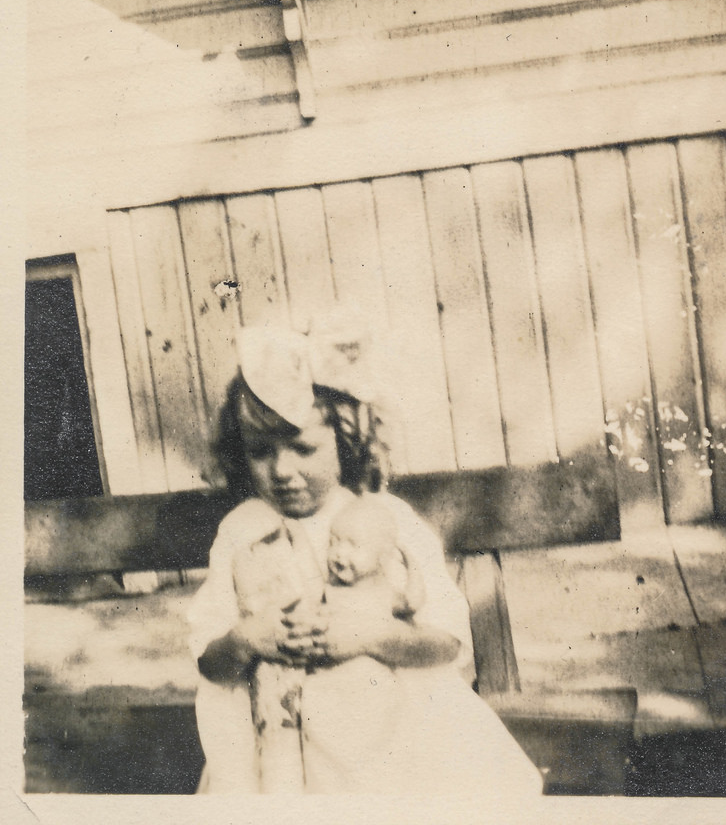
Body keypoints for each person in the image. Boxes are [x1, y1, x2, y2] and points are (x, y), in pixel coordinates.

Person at [187, 318, 541, 797]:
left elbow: (447, 642)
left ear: (347, 441)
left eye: (304, 449)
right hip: (279, 759)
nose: (283, 470)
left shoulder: (383, 519)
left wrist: (372, 634)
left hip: (391, 745)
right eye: (260, 452)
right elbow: (210, 661)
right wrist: (247, 639)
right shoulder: (242, 532)